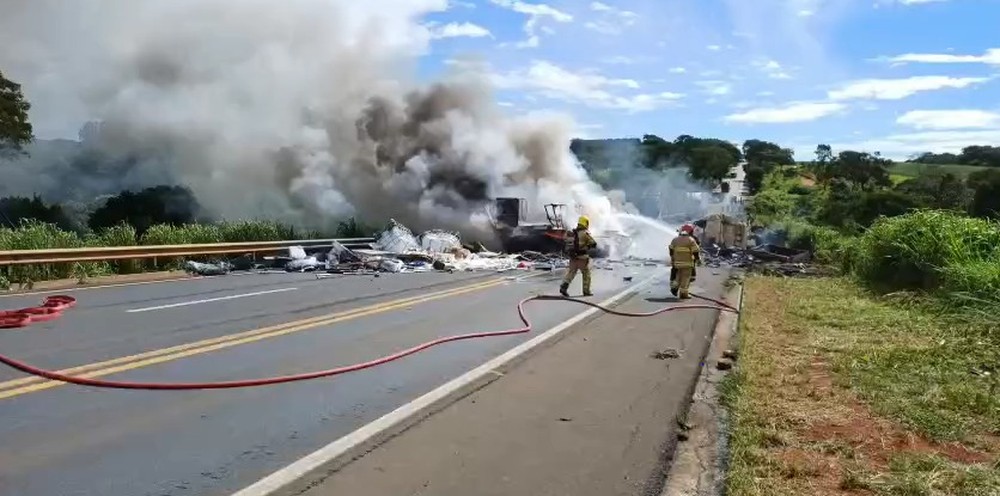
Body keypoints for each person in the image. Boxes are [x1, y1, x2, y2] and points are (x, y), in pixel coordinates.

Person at [560, 215, 597, 297]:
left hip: (573, 257)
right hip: (582, 258)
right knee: (586, 274)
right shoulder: (585, 233)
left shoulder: (573, 233)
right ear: (586, 223)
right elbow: (593, 243)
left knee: (571, 273)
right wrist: (589, 246)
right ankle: (586, 291)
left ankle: (564, 286)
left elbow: (566, 242)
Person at [669, 224, 702, 299]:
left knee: (678, 276)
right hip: (687, 263)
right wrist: (698, 260)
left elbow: (671, 250)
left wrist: (672, 258)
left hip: (677, 263)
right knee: (686, 278)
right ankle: (683, 294)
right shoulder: (691, 240)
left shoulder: (675, 240)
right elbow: (695, 251)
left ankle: (674, 287)